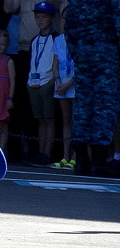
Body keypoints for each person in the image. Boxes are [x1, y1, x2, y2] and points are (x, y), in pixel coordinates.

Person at [63, 0, 120, 175]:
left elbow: (69, 22)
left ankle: (80, 159)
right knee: (105, 104)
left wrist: (76, 50)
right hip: (107, 52)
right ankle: (98, 160)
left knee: (83, 103)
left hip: (83, 52)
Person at [3, 0, 60, 161]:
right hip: (26, 51)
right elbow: (8, 7)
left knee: (49, 108)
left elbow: (57, 6)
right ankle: (26, 151)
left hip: (48, 54)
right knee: (24, 104)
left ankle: (47, 152)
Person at [26, 2, 59, 166]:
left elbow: (57, 60)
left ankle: (47, 152)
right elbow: (32, 60)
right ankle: (40, 152)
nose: (40, 20)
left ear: (52, 18)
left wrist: (54, 80)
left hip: (48, 81)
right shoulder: (34, 39)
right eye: (37, 17)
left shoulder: (56, 38)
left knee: (49, 118)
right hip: (33, 82)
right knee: (40, 119)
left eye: (44, 17)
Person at [51, 25, 76, 169]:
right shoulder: (58, 39)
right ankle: (65, 156)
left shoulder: (80, 38)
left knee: (76, 121)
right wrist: (58, 81)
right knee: (66, 121)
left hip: (73, 85)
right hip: (60, 85)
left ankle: (75, 157)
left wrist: (68, 84)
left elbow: (81, 66)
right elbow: (55, 64)